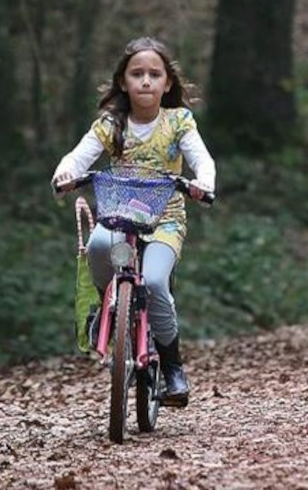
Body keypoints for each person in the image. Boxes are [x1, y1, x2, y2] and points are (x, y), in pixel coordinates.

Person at [52, 36, 216, 407]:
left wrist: (203, 183)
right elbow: (79, 157)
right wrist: (65, 174)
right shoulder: (112, 125)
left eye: (154, 74)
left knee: (156, 282)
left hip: (165, 220)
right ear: (123, 81)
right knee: (96, 246)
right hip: (118, 215)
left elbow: (201, 160)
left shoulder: (178, 122)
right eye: (137, 73)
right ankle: (103, 305)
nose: (146, 81)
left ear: (167, 83)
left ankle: (173, 370)